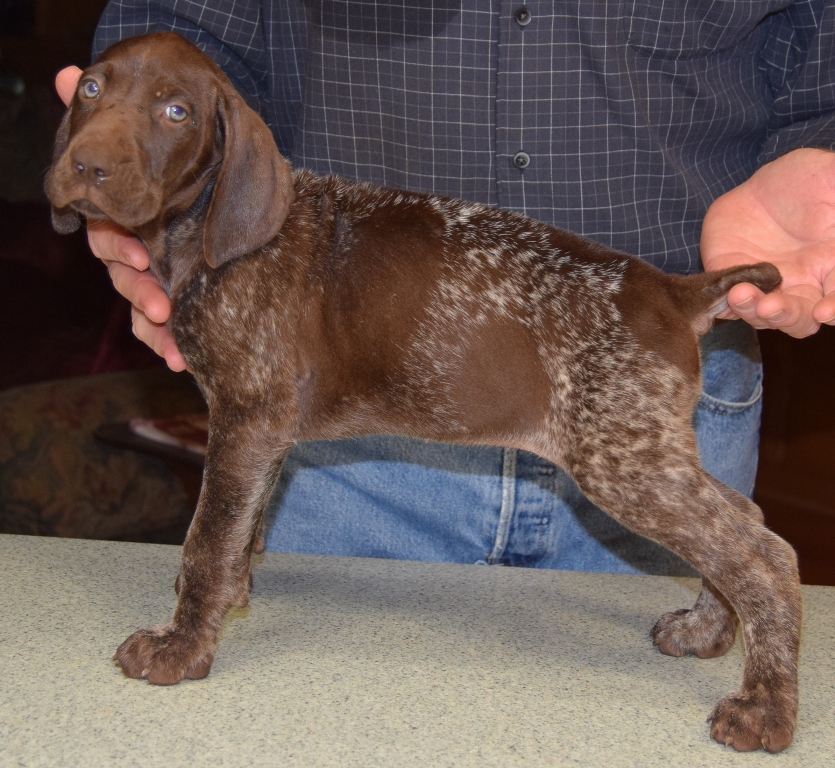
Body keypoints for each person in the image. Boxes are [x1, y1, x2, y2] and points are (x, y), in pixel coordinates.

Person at [55, 1, 835, 573]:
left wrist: (822, 152)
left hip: (655, 351)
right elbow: (179, 36)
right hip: (341, 431)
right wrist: (138, 168)